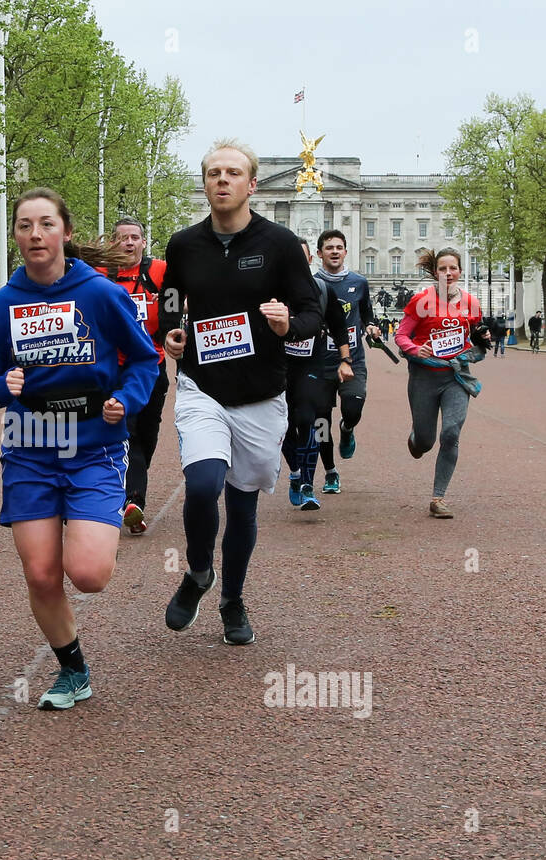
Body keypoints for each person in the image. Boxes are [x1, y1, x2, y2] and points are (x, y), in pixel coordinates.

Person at [0, 186, 158, 710]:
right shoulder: (0, 307)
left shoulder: (99, 294)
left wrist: (125, 398)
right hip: (30, 448)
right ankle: (72, 670)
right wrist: (0, 386)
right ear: (16, 237)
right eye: (25, 226)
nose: (35, 234)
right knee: (42, 573)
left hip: (94, 446)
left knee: (89, 575)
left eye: (46, 224)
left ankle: (104, 509)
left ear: (65, 233)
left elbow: (144, 360)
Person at [159, 139, 322, 645]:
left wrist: (288, 325)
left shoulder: (279, 244)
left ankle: (232, 598)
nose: (222, 180)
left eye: (232, 173)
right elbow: (168, 304)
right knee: (204, 484)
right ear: (205, 183)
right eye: (213, 173)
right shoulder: (183, 245)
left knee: (244, 506)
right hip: (203, 386)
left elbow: (311, 312)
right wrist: (170, 331)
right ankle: (199, 573)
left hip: (260, 394)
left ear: (252, 184)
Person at [394, 247, 491, 518]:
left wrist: (484, 337)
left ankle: (438, 498)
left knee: (451, 433)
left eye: (453, 268)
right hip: (424, 377)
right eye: (442, 269)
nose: (448, 273)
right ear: (435, 272)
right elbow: (401, 336)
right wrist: (415, 349)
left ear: (460, 271)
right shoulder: (420, 301)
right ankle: (417, 439)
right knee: (426, 441)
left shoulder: (471, 302)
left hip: (457, 376)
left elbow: (477, 332)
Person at [99, 215, 169, 535]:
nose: (129, 242)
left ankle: (132, 497)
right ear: (114, 243)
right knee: (127, 433)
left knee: (147, 436)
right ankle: (131, 500)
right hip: (116, 368)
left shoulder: (160, 272)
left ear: (144, 242)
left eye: (134, 237)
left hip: (153, 365)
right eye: (123, 238)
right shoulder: (101, 275)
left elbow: (182, 300)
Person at [284, 238, 351, 511]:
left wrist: (345, 360)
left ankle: (309, 485)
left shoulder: (322, 290)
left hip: (313, 366)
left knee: (308, 420)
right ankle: (296, 473)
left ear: (310, 260)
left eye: (302, 258)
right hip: (280, 367)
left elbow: (339, 327)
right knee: (284, 426)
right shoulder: (271, 290)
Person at [314, 229, 378, 495]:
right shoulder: (311, 283)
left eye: (339, 247)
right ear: (320, 254)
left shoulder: (359, 282)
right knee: (320, 422)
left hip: (352, 359)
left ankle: (347, 427)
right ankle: (330, 471)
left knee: (352, 409)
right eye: (329, 247)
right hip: (319, 362)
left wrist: (372, 326)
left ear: (346, 251)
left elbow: (366, 314)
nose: (335, 251)